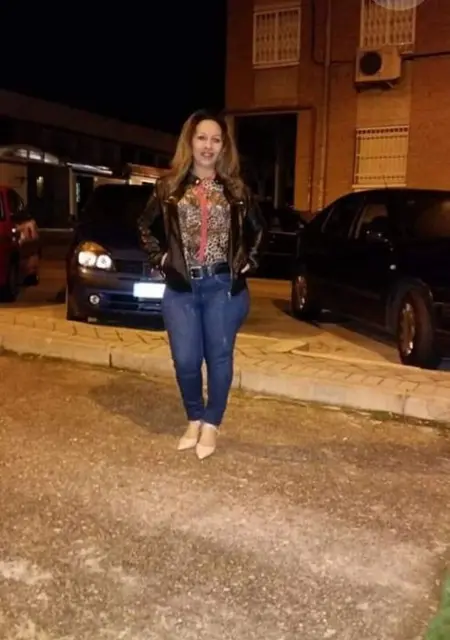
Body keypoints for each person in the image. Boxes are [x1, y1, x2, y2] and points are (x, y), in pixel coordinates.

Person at [138, 109, 265, 460]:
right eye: (202, 138)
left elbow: (258, 229)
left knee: (219, 357)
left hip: (222, 286)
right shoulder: (168, 187)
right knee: (185, 360)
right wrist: (161, 259)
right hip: (182, 288)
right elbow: (144, 226)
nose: (208, 146)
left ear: (224, 146)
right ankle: (194, 417)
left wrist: (250, 261)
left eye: (216, 140)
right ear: (190, 142)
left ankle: (212, 423)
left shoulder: (236, 189)